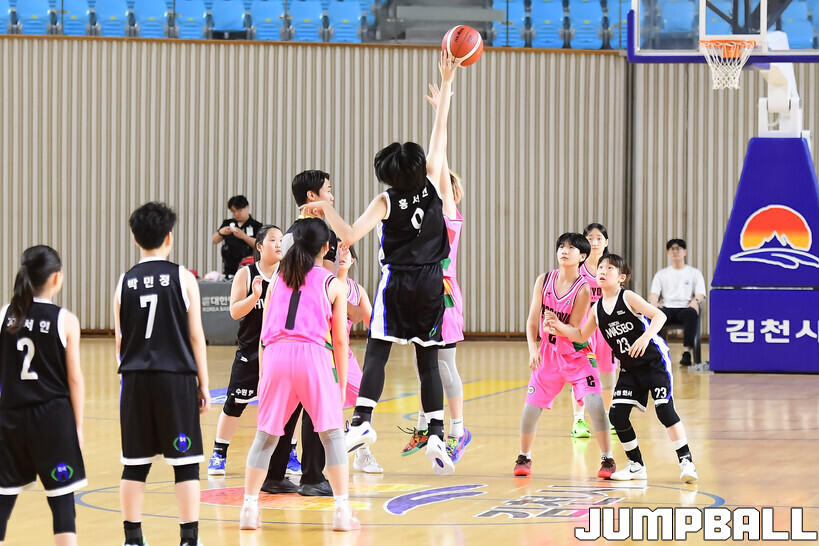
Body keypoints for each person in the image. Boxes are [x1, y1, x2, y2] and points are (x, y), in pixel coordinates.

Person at [302, 52, 461, 476]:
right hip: (432, 283)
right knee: (428, 361)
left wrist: (325, 209)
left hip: (396, 284)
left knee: (377, 353)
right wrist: (447, 85)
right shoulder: (434, 183)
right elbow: (440, 135)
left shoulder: (385, 199)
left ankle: (362, 422)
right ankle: (436, 435)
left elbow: (349, 235)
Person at [239, 218, 359, 532]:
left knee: (265, 438)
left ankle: (249, 510)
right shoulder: (332, 283)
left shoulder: (278, 278)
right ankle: (342, 512)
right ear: (326, 247)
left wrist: (263, 374)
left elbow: (264, 334)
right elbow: (340, 340)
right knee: (332, 436)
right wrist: (340, 383)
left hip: (275, 356)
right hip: (312, 357)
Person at [546, 253, 698, 483]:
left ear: (621, 277)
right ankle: (636, 466)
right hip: (630, 369)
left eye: (610, 268)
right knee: (617, 415)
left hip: (654, 362)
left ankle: (686, 462)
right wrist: (558, 326)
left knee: (665, 411)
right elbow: (581, 335)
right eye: (601, 267)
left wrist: (645, 337)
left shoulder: (627, 297)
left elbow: (659, 316)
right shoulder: (597, 309)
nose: (603, 271)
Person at [115, 202, 210, 546]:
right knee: (185, 463)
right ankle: (188, 539)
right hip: (175, 379)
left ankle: (132, 539)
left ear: (135, 238)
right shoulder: (183, 277)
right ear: (169, 237)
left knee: (135, 464)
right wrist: (203, 383)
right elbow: (196, 335)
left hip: (135, 379)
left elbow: (120, 340)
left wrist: (127, 381)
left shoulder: (124, 281)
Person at [0, 246, 86, 546]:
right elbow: (75, 379)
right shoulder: (65, 320)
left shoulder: (5, 315)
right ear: (56, 278)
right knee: (62, 505)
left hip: (10, 419)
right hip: (53, 421)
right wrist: (77, 426)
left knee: (2, 503)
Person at [403, 82, 470, 464]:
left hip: (442, 296)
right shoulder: (422, 219)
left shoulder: (448, 216)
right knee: (425, 364)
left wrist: (441, 112)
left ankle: (457, 430)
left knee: (443, 365)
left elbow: (438, 161)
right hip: (421, 293)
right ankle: (425, 425)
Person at [515, 233, 615, 480]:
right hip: (548, 354)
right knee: (529, 411)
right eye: (561, 246)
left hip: (577, 353)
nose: (564, 251)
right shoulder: (544, 280)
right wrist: (533, 349)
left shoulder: (583, 289)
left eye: (571, 248)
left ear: (582, 256)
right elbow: (532, 320)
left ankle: (607, 458)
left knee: (595, 405)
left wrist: (556, 325)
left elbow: (574, 330)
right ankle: (524, 456)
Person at [207, 226, 284, 479]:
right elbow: (235, 311)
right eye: (273, 240)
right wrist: (255, 296)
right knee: (234, 403)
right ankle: (219, 453)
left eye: (281, 240)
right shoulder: (246, 273)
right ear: (259, 246)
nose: (279, 244)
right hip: (249, 351)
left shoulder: (287, 274)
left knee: (288, 407)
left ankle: (291, 453)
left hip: (279, 352)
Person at [337, 246, 383, 474]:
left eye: (346, 250)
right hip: (321, 354)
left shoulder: (357, 290)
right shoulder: (320, 283)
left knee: (364, 399)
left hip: (344, 355)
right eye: (336, 250)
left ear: (353, 259)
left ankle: (362, 452)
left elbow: (373, 324)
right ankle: (293, 452)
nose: (341, 254)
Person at [570, 223, 618, 438]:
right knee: (581, 375)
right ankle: (578, 420)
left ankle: (607, 417)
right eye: (590, 238)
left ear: (606, 242)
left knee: (607, 376)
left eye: (599, 238)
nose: (595, 242)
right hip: (583, 328)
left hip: (606, 327)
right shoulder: (576, 269)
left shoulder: (612, 268)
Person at [648, 239, 707, 366]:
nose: (675, 251)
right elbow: (654, 294)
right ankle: (656, 352)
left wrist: (695, 301)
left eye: (678, 248)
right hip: (667, 307)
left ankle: (687, 353)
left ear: (684, 252)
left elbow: (700, 294)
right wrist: (653, 304)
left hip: (684, 308)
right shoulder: (661, 274)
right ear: (668, 253)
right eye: (672, 249)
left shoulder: (694, 273)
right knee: (655, 314)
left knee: (692, 313)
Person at [212, 195, 264, 277]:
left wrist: (244, 236)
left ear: (247, 207)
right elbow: (214, 240)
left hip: (249, 268)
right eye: (233, 211)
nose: (236, 214)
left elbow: (260, 245)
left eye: (239, 211)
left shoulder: (256, 225)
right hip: (229, 268)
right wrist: (220, 232)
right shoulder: (228, 223)